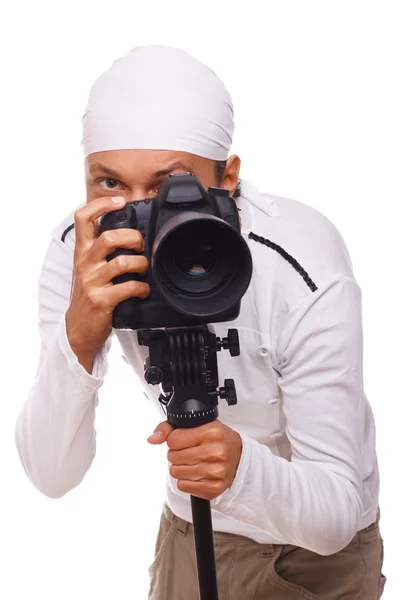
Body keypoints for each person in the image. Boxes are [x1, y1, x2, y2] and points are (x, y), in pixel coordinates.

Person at [14, 44, 386, 599]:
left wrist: (240, 469)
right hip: (192, 529)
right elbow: (52, 474)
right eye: (110, 183)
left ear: (228, 178)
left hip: (315, 557)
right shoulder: (82, 250)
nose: (140, 217)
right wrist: (77, 339)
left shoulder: (300, 264)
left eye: (170, 185)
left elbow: (335, 514)